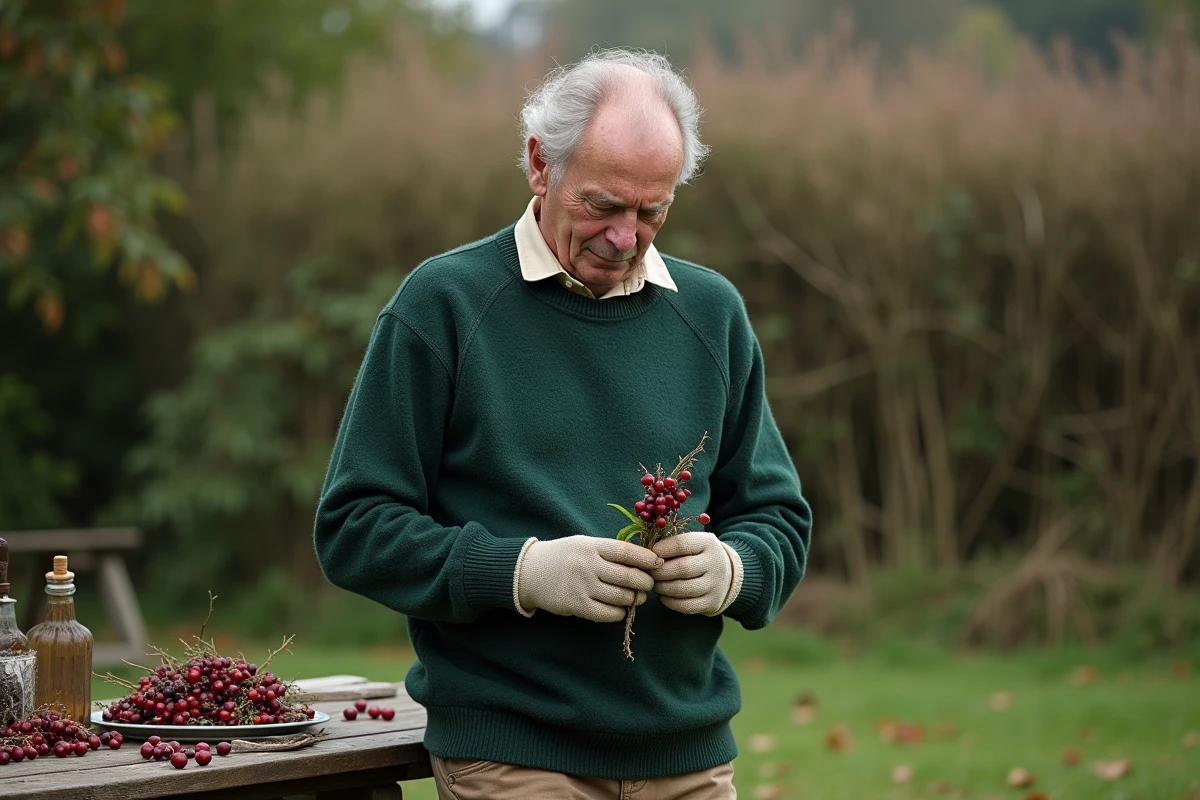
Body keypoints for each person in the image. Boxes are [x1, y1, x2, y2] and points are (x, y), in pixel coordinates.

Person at [314, 48, 812, 800]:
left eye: (653, 210)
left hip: (689, 756)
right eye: (603, 206)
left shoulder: (712, 314)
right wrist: (523, 573)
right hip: (514, 752)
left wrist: (735, 572)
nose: (626, 236)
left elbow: (779, 518)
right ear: (540, 165)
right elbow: (354, 527)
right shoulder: (445, 305)